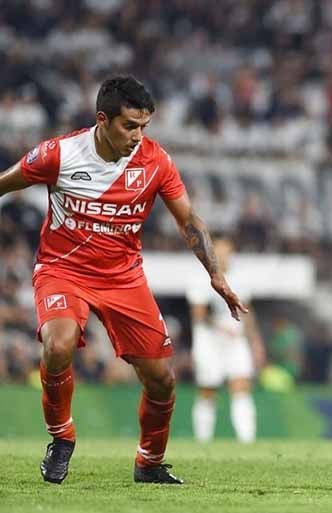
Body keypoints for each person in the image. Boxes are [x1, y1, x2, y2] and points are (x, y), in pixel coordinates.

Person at [0, 76, 248, 485]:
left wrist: (216, 277)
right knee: (58, 345)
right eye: (129, 126)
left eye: (144, 127)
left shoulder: (156, 162)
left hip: (123, 278)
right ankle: (62, 438)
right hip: (63, 270)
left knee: (162, 379)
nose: (138, 136)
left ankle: (149, 463)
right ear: (103, 119)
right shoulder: (59, 154)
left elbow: (188, 220)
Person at [188, 235, 265, 443]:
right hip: (209, 341)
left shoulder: (240, 278)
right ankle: (203, 441)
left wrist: (255, 341)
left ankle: (246, 441)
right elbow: (199, 314)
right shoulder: (200, 278)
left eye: (226, 252)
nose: (222, 256)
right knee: (208, 388)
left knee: (241, 385)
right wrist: (221, 327)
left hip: (236, 340)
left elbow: (248, 312)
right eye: (218, 252)